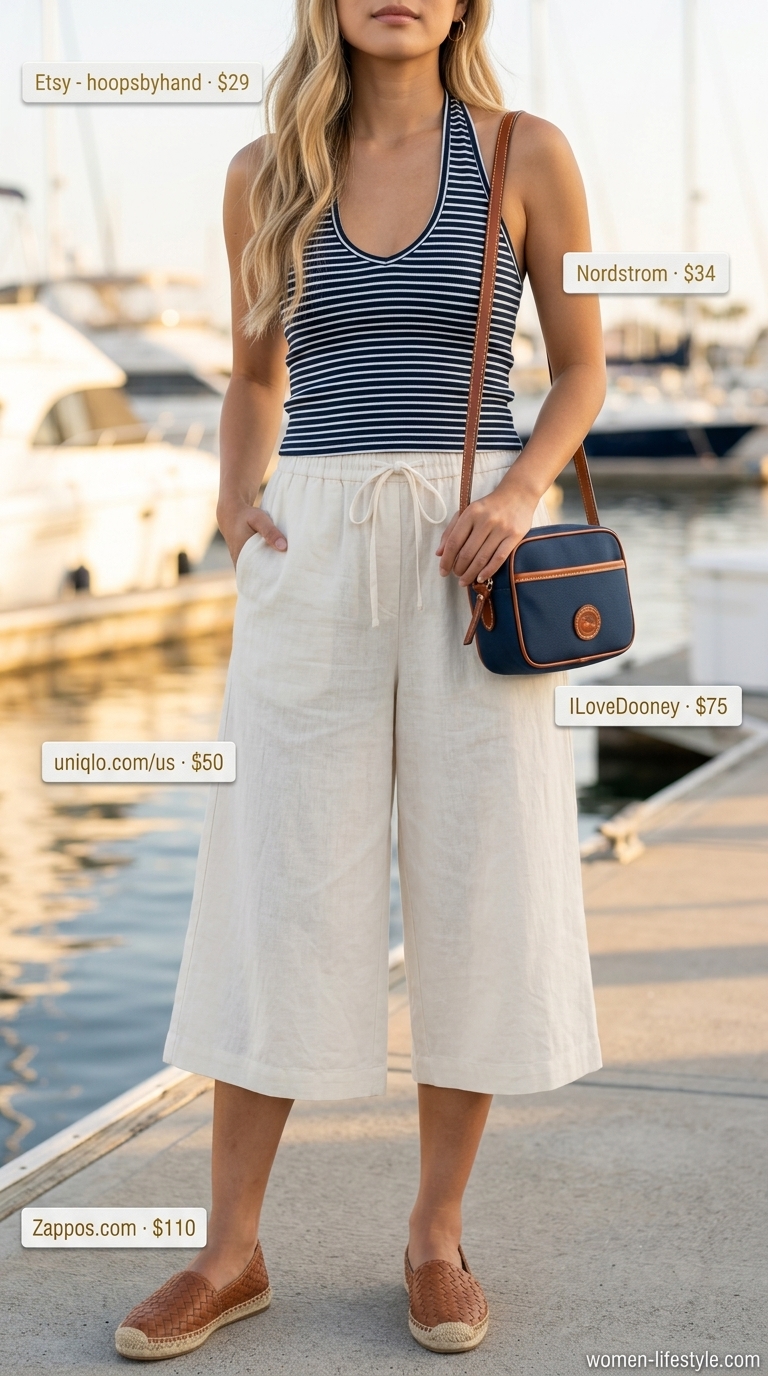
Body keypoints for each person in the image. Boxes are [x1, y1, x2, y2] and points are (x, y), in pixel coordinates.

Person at [115, 0, 605, 1360]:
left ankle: (435, 1239)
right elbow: (256, 373)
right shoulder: (266, 170)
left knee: (480, 884)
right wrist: (236, 505)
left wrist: (517, 493)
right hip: (311, 548)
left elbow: (581, 369)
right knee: (273, 882)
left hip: (473, 548)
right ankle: (230, 1252)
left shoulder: (526, 152)